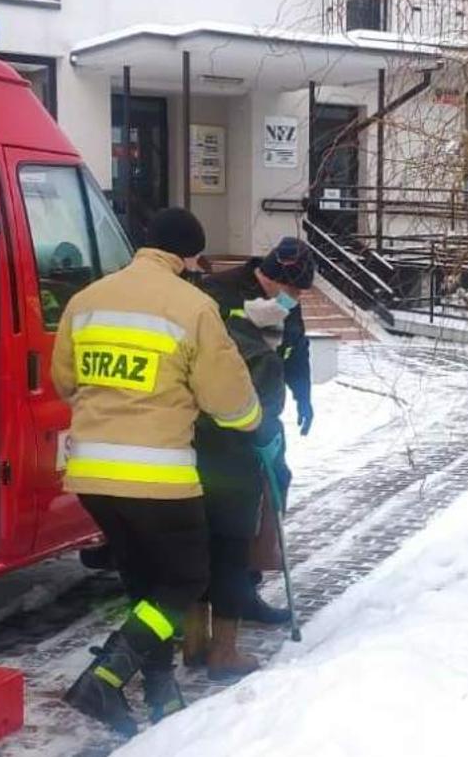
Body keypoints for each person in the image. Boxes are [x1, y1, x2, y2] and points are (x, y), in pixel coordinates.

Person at [52, 207, 267, 734]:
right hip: (159, 479)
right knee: (186, 581)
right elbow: (227, 399)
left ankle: (161, 695)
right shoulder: (192, 306)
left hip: (93, 477)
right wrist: (255, 424)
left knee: (146, 587)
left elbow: (65, 381)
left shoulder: (87, 301)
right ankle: (104, 678)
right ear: (188, 255)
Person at [183, 263, 294, 679]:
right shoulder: (263, 359)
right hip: (235, 468)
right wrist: (270, 441)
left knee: (198, 553)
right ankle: (224, 652)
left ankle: (193, 644)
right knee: (230, 557)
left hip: (190, 463)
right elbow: (264, 418)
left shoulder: (206, 345)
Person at [198, 236, 317, 625]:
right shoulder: (220, 292)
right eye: (295, 288)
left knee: (274, 484)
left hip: (264, 417)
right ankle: (204, 606)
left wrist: (303, 395)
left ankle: (245, 587)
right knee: (227, 506)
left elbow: (297, 350)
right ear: (274, 276)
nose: (297, 298)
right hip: (217, 423)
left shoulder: (287, 305)